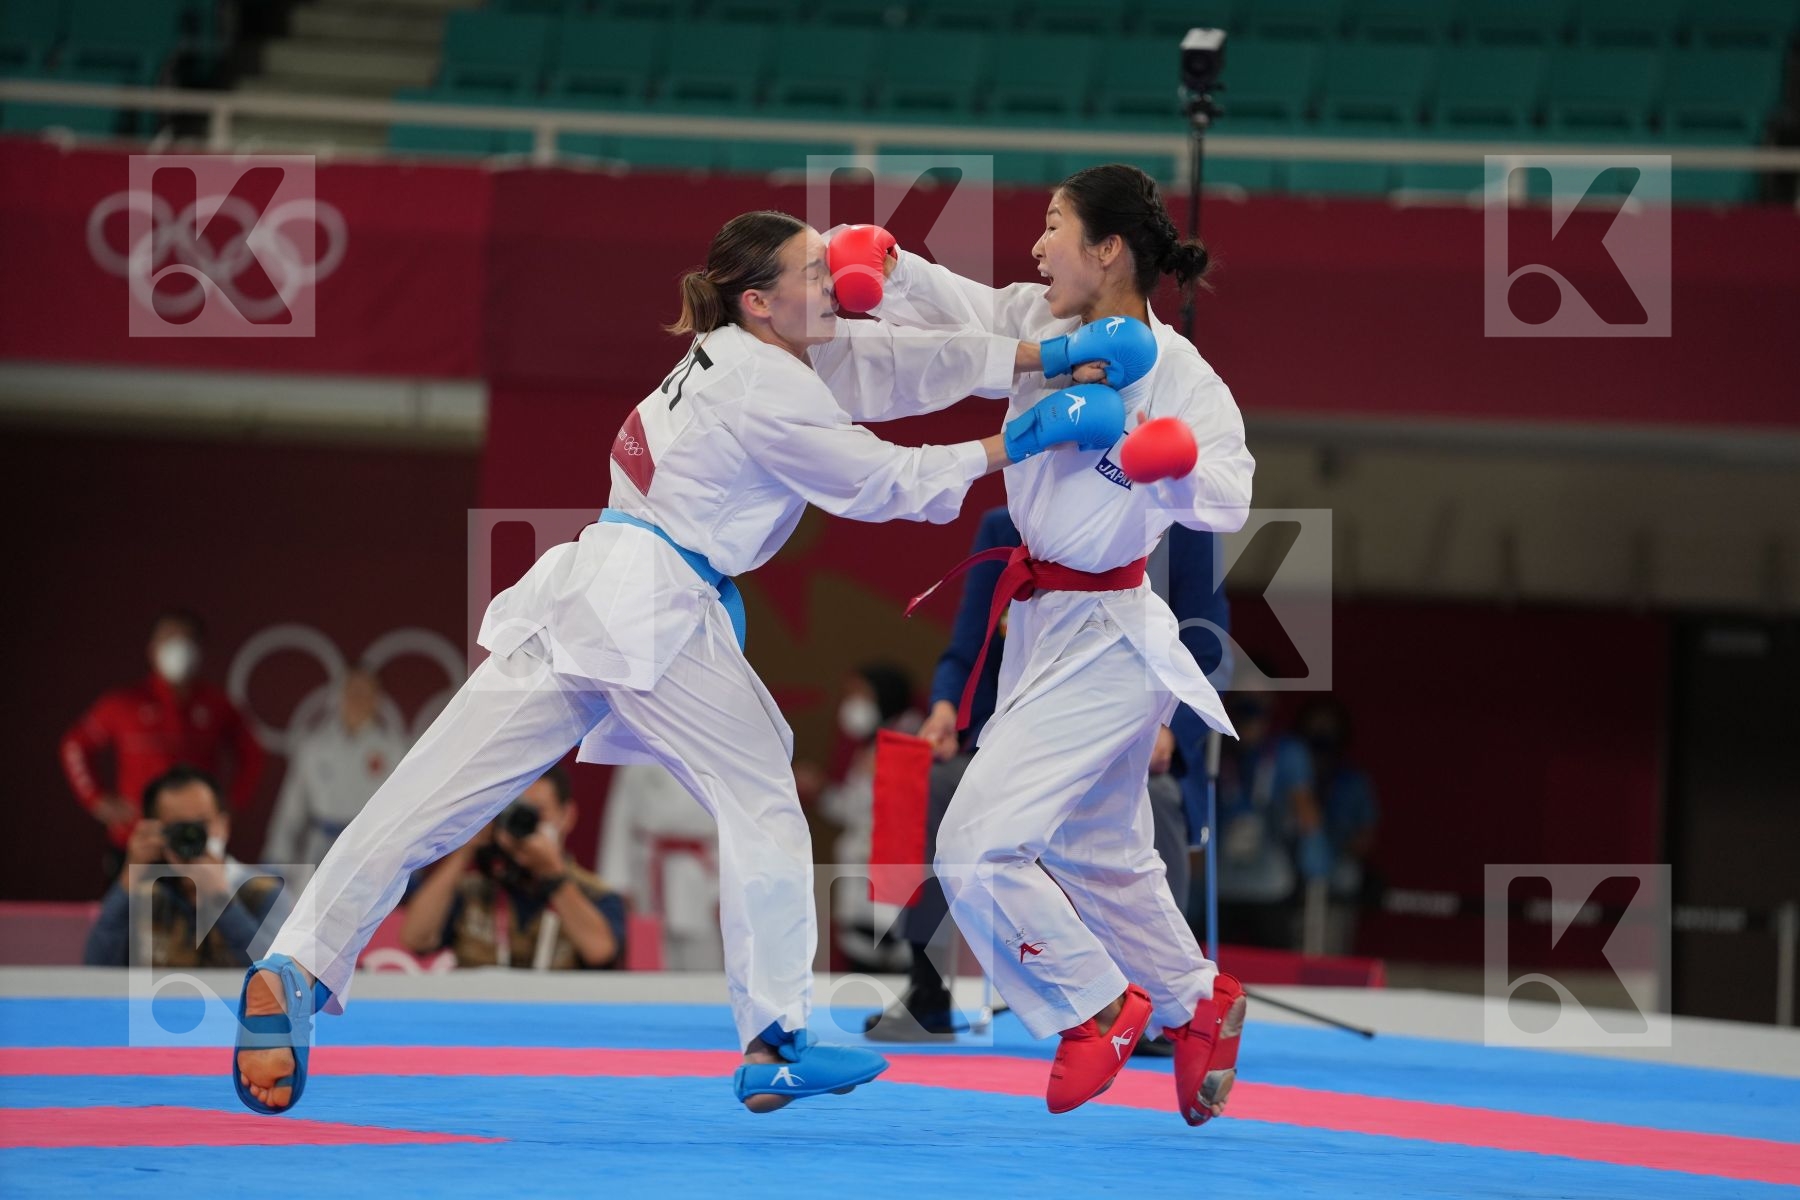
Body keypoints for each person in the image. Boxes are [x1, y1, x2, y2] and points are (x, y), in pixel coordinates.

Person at [232, 209, 1078, 1118]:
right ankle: (775, 1038)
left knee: (431, 792)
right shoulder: (766, 386)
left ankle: (296, 961)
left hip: (589, 583)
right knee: (760, 794)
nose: (834, 277)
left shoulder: (751, 351)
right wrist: (1017, 442)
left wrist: (1042, 360)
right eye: (812, 268)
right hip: (656, 603)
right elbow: (886, 485)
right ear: (760, 301)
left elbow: (901, 366)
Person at [838, 164, 1255, 1125]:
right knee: (1102, 851)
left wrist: (1176, 464)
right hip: (1039, 624)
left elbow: (1230, 488)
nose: (1035, 244)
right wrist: (893, 266)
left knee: (976, 846)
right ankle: (1200, 1004)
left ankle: (1095, 1008)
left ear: (1108, 249)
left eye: (1054, 226)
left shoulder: (1184, 374)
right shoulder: (1041, 319)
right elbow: (964, 307)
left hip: (1112, 633)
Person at [863, 509, 1227, 1058]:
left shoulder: (1180, 524)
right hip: (1027, 730)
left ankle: (1159, 1001)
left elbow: (1208, 645)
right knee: (940, 786)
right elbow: (968, 646)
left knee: (1151, 803)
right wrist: (943, 709)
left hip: (1134, 723)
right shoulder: (1009, 526)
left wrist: (1171, 733)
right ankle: (928, 985)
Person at [61, 610, 265, 873]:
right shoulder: (124, 704)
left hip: (196, 842)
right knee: (129, 912)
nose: (178, 647)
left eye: (186, 639)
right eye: (169, 638)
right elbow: (74, 745)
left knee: (201, 913)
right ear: (152, 649)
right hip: (135, 839)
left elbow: (252, 755)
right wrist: (96, 799)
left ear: (200, 650)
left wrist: (230, 805)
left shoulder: (216, 706)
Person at [400, 766, 627, 970]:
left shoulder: (596, 894)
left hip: (559, 1013)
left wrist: (553, 875)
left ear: (567, 816)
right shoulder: (473, 891)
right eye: (513, 811)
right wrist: (467, 845)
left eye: (536, 813)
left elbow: (601, 952)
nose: (524, 823)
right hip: (481, 1011)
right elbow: (415, 938)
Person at [84, 765, 284, 969]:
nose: (191, 837)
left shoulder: (264, 892)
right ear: (155, 832)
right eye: (178, 828)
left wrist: (220, 901)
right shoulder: (146, 893)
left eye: (201, 824)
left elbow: (278, 976)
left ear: (223, 824)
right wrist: (130, 875)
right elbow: (96, 968)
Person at [817, 662, 922, 973]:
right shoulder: (868, 745)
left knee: (898, 962)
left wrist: (892, 771)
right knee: (862, 964)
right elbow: (854, 810)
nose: (853, 703)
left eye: (860, 694)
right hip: (861, 873)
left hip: (896, 871)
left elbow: (917, 808)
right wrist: (821, 790)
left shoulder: (915, 736)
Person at [262, 667, 409, 867]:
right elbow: (291, 810)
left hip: (370, 852)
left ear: (377, 699)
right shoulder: (314, 747)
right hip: (319, 850)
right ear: (339, 695)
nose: (357, 700)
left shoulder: (393, 750)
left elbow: (403, 811)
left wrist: (408, 864)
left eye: (365, 693)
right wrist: (276, 858)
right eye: (351, 691)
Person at [1215, 687, 1320, 950]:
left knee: (1274, 968)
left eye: (1260, 701)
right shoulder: (1214, 748)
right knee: (1216, 971)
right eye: (1244, 702)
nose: (1252, 713)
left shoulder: (1287, 752)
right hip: (1221, 884)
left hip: (1271, 885)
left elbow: (1308, 818)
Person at [598, 762, 723, 970]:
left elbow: (732, 827)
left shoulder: (715, 752)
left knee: (706, 960)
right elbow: (619, 820)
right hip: (648, 873)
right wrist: (618, 883)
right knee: (650, 960)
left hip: (704, 876)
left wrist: (728, 886)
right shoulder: (637, 756)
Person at [1295, 695, 1378, 955]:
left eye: (1329, 730)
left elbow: (1366, 836)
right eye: (1316, 729)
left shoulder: (1353, 782)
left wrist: (1335, 851)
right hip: (1295, 873)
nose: (1322, 737)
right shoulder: (1293, 774)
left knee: (1345, 876)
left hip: (1338, 874)